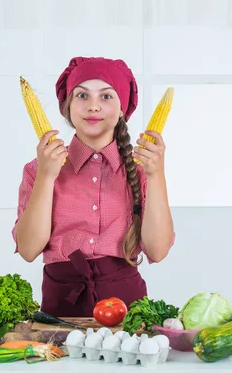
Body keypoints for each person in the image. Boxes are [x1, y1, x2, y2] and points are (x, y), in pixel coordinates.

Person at [12, 56, 175, 317]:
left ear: (123, 108)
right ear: (67, 107)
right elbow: (29, 250)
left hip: (129, 313)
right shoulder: (38, 169)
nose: (93, 107)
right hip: (60, 314)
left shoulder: (143, 170)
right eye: (82, 96)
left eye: (106, 97)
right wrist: (46, 176)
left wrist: (156, 176)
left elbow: (158, 250)